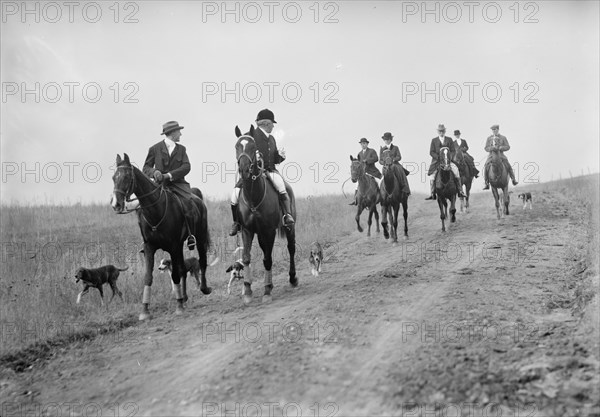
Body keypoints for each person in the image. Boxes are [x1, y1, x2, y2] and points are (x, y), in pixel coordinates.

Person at [229, 109, 294, 236]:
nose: (273, 126)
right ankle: (236, 222)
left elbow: (273, 159)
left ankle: (287, 215)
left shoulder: (272, 139)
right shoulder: (250, 136)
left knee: (283, 188)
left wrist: (280, 157)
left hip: (270, 171)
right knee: (235, 195)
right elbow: (244, 153)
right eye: (272, 124)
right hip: (252, 173)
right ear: (266, 123)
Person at [143, 120, 198, 250]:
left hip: (178, 185)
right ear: (173, 133)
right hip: (159, 185)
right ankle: (146, 239)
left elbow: (186, 167)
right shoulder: (154, 149)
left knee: (189, 204)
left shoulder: (182, 149)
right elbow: (146, 168)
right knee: (143, 207)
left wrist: (169, 175)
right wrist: (154, 172)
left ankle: (191, 236)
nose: (181, 134)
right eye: (179, 131)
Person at [425, 124, 466, 200]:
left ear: (445, 131)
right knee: (432, 176)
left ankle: (460, 191)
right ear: (438, 132)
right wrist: (438, 157)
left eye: (443, 131)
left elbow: (453, 151)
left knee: (456, 171)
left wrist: (448, 158)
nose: (441, 132)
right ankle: (432, 193)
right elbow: (431, 152)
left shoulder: (449, 139)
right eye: (440, 131)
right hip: (437, 162)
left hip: (448, 161)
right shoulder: (434, 140)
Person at [483, 124, 518, 189]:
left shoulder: (503, 137)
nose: (494, 131)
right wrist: (491, 148)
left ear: (498, 129)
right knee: (486, 166)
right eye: (493, 130)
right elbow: (486, 148)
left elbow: (508, 146)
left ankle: (513, 179)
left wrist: (501, 147)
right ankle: (486, 183)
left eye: (495, 129)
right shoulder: (489, 138)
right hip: (491, 155)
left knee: (508, 165)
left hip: (501, 155)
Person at [349, 137, 381, 205]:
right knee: (357, 185)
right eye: (361, 144)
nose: (363, 145)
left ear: (367, 144)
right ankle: (355, 199)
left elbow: (376, 158)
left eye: (364, 143)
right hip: (363, 174)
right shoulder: (359, 153)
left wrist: (367, 160)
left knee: (380, 181)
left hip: (372, 172)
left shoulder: (372, 151)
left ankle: (382, 196)